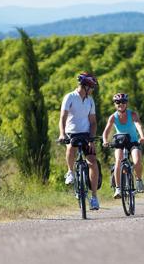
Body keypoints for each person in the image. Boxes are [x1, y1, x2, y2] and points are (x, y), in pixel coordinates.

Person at [58, 72, 100, 210]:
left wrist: (92, 139)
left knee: (92, 162)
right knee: (70, 147)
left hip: (86, 133)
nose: (92, 89)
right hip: (72, 132)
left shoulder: (90, 100)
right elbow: (63, 117)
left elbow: (93, 122)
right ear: (86, 86)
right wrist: (62, 134)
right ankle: (70, 171)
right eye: (92, 87)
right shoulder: (69, 97)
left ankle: (94, 197)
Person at [102, 93, 144, 198]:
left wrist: (142, 136)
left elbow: (138, 125)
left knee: (137, 161)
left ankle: (139, 180)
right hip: (120, 141)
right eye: (117, 102)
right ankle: (118, 189)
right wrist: (104, 140)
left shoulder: (133, 114)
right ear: (114, 104)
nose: (120, 104)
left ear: (126, 103)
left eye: (123, 102)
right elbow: (106, 131)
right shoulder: (113, 117)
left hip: (133, 141)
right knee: (118, 161)